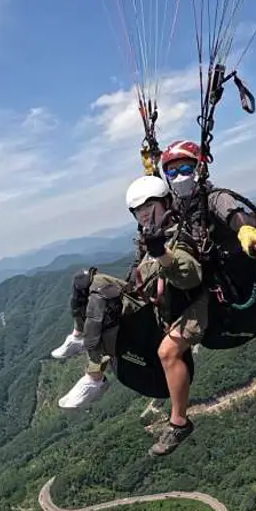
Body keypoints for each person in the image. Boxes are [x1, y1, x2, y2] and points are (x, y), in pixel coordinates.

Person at [55, 173, 210, 456]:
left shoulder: (178, 233)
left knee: (167, 352)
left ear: (166, 203)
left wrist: (161, 252)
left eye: (150, 207)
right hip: (154, 301)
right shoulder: (148, 237)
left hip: (189, 306)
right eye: (138, 211)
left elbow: (190, 277)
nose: (144, 215)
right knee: (90, 284)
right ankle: (88, 361)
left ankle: (179, 422)